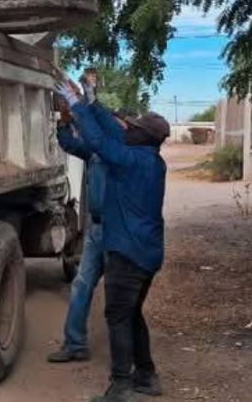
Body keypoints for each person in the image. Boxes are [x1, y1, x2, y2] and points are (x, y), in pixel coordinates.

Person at [54, 76, 170, 402]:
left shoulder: (129, 162)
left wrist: (77, 107)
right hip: (146, 253)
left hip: (127, 253)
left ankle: (121, 387)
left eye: (133, 128)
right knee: (131, 314)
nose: (127, 129)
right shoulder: (148, 158)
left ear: (142, 137)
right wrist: (92, 102)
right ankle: (146, 376)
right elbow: (111, 131)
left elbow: (97, 138)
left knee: (117, 316)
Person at [48, 69, 125, 364]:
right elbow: (71, 143)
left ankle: (128, 358)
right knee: (82, 284)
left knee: (121, 294)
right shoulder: (97, 151)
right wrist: (66, 121)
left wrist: (84, 101)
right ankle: (75, 344)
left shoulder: (121, 152)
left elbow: (95, 131)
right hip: (97, 231)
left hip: (119, 231)